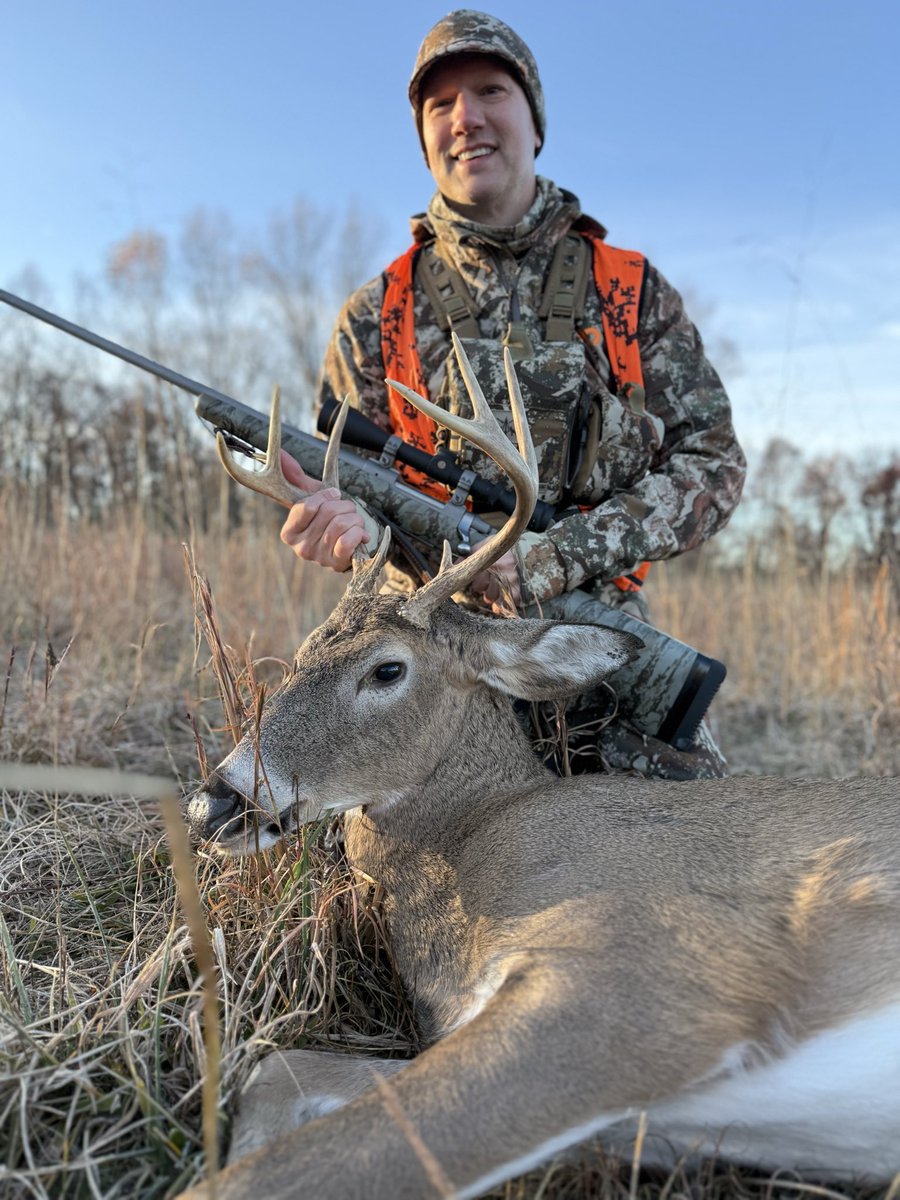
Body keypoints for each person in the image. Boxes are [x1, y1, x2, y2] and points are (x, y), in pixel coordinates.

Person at [278, 10, 746, 779]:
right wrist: (337, 526)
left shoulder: (627, 289)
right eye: (440, 104)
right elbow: (346, 487)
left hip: (588, 631)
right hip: (422, 646)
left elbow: (714, 466)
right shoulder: (376, 312)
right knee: (314, 814)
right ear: (424, 138)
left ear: (535, 122)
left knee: (697, 830)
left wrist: (557, 556)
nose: (465, 117)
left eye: (490, 91)